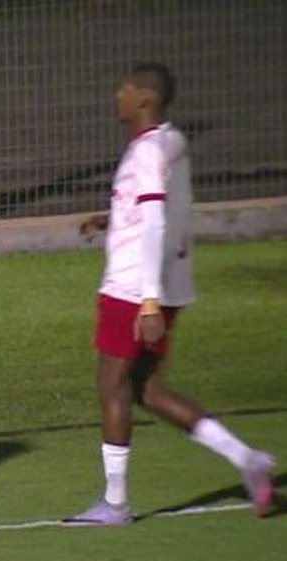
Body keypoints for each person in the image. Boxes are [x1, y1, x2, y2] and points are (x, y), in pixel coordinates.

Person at [63, 63, 276, 526]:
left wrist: (149, 300)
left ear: (144, 99)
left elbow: (156, 219)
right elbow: (154, 212)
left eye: (125, 87)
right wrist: (113, 218)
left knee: (111, 385)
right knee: (149, 390)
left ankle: (115, 504)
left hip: (133, 288)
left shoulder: (145, 153)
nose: (117, 93)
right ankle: (247, 458)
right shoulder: (168, 143)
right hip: (163, 285)